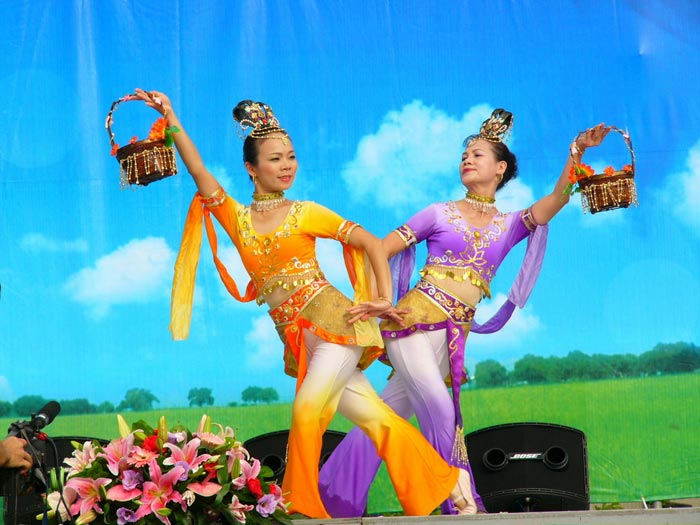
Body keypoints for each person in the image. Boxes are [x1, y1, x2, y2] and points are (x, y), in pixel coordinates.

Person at [132, 89, 479, 518]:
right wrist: (171, 118)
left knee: (307, 409)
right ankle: (452, 481)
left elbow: (372, 242)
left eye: (291, 157)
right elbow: (198, 170)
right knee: (378, 421)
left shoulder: (305, 212)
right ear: (251, 168)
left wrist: (382, 298)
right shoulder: (236, 218)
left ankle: (300, 508)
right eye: (276, 158)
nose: (287, 166)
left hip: (334, 325)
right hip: (299, 338)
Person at [319, 109, 612, 517]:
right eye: (464, 156)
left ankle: (331, 494)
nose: (467, 160)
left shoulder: (509, 225)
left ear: (500, 168)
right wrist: (383, 298)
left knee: (383, 417)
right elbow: (379, 249)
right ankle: (459, 503)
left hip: (454, 335)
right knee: (442, 410)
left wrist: (577, 150)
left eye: (477, 154)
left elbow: (556, 201)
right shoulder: (438, 213)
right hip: (411, 323)